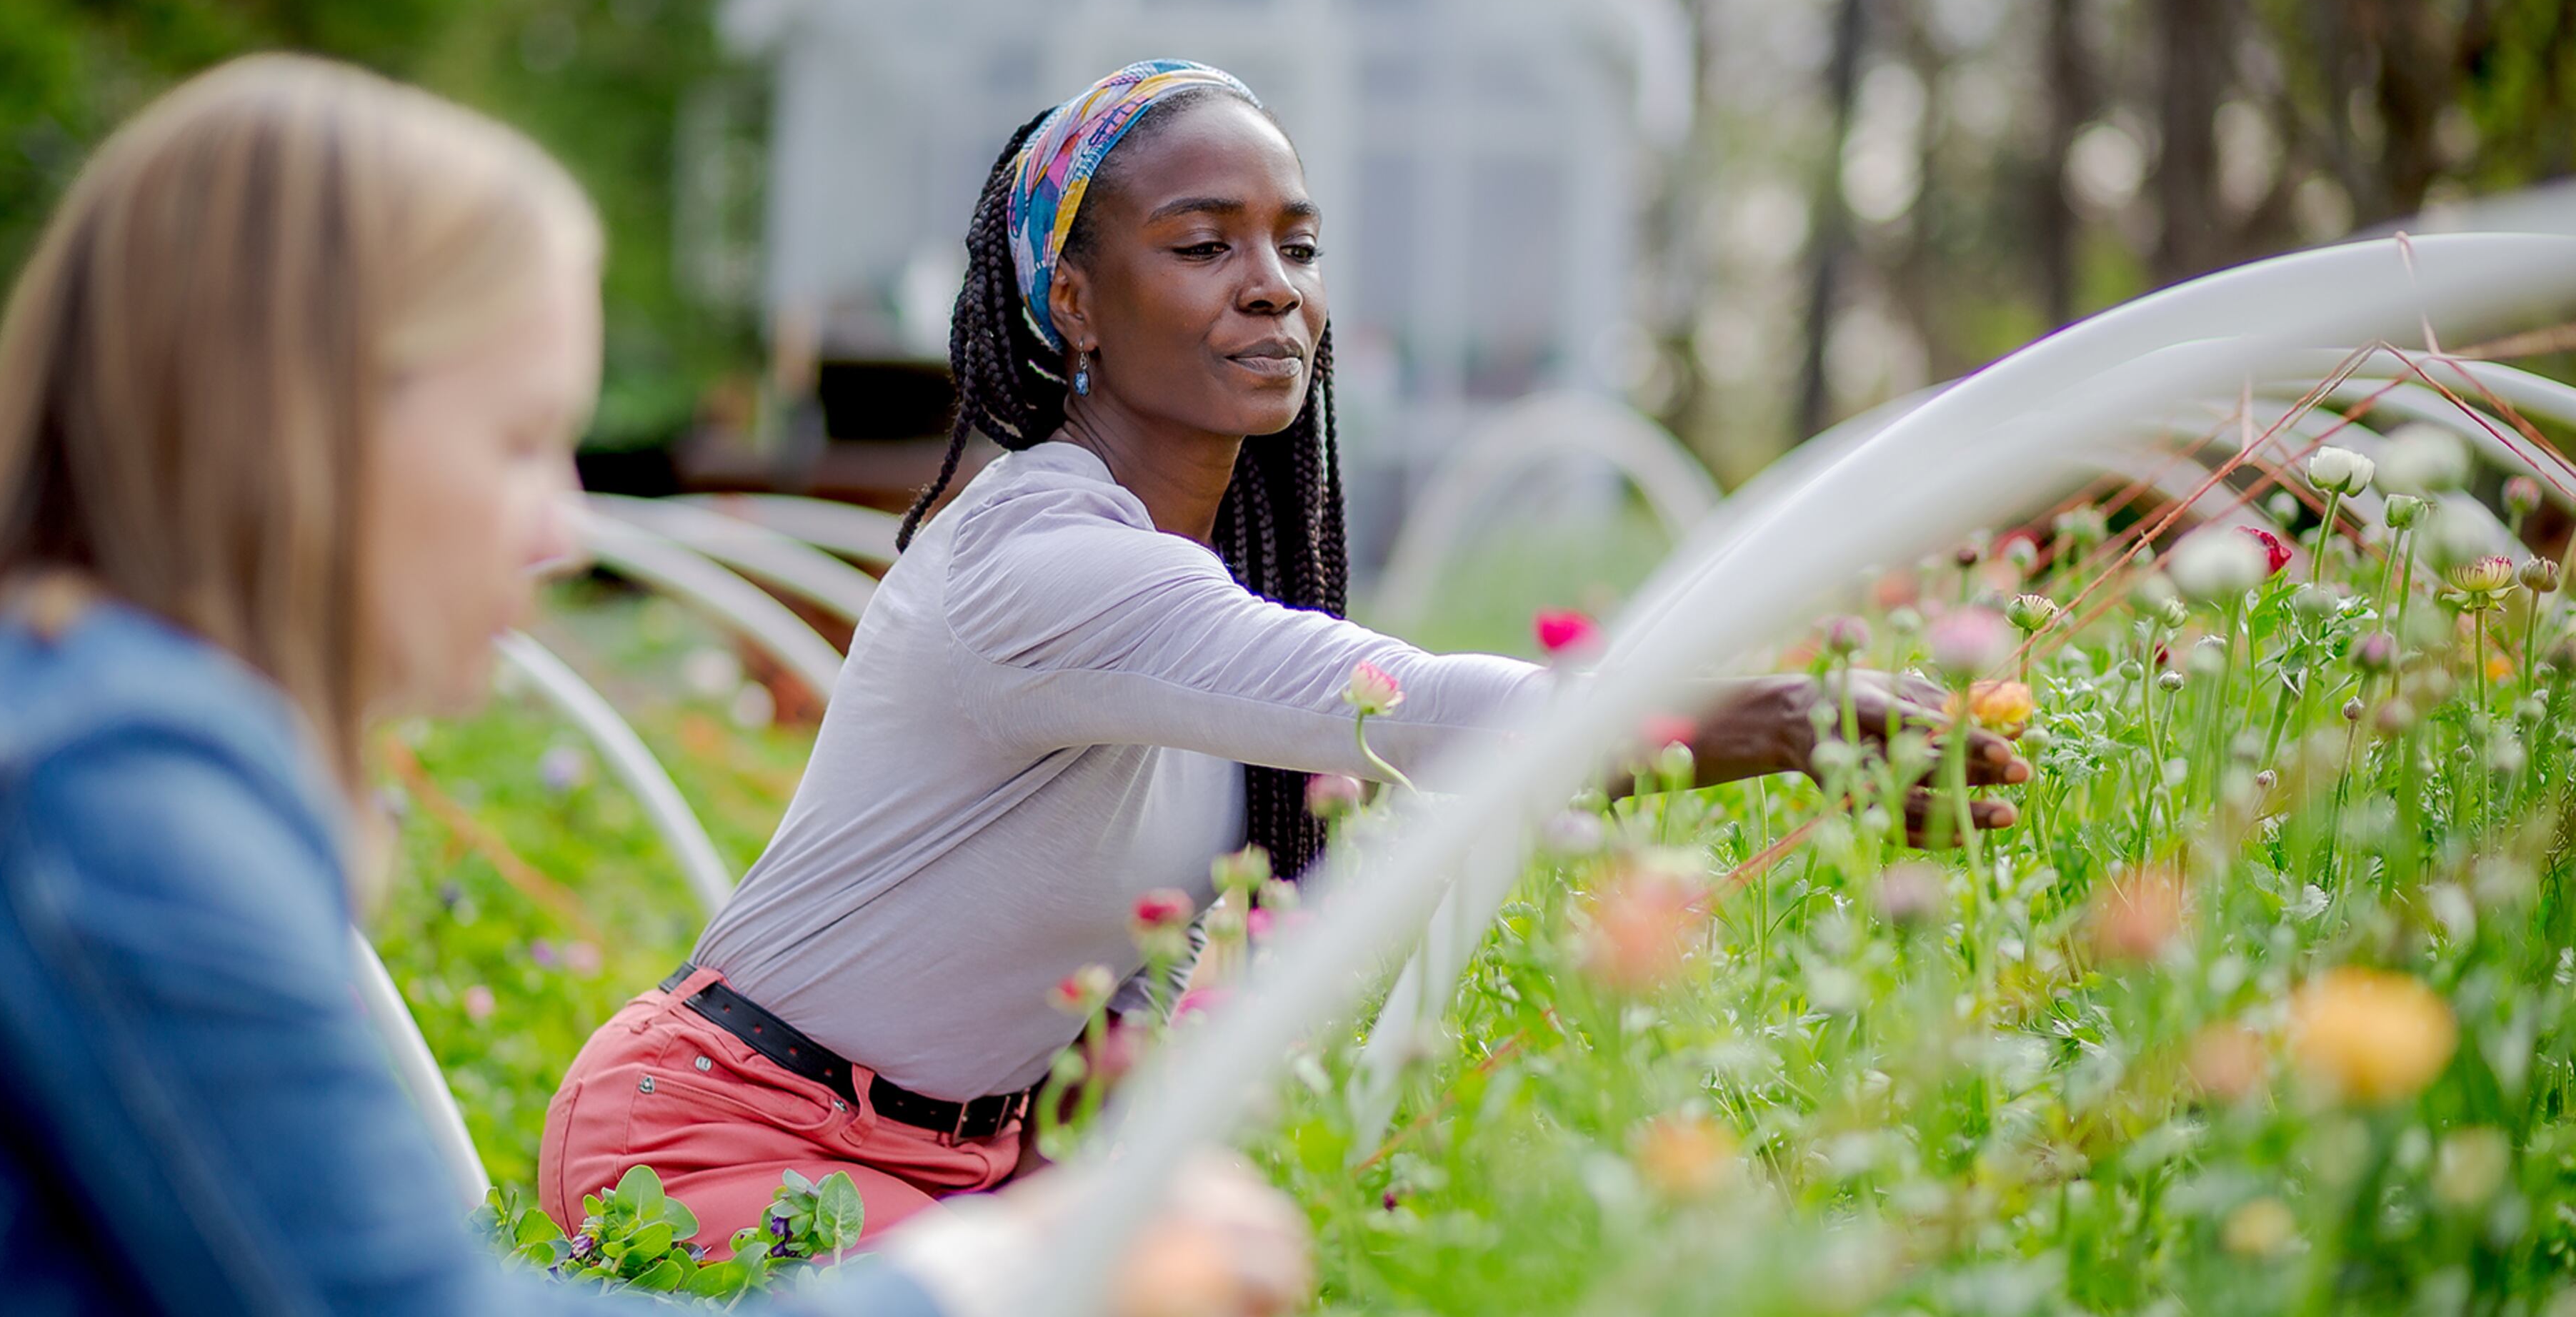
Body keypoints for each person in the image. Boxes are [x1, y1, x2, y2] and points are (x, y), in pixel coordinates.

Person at [0, 54, 1307, 1317]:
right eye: (521, 440)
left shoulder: (51, 734)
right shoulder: (101, 798)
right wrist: (983, 1278)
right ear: (307, 427)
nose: (555, 534)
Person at [542, 60, 2031, 1245]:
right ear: (1075, 305)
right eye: (1204, 245)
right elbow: (1408, 710)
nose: (1275, 286)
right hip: (723, 1138)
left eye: (1297, 246)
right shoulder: (1042, 563)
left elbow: (1096, 1057)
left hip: (948, 1169)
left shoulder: (1194, 600)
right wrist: (1784, 719)